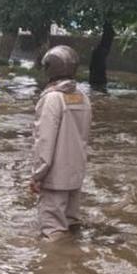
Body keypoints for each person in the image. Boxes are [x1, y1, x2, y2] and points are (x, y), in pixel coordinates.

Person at [29, 45, 92, 240]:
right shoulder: (83, 97)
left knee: (53, 231)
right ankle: (77, 264)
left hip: (55, 177)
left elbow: (44, 142)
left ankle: (56, 267)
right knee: (73, 225)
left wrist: (37, 175)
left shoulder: (52, 99)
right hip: (76, 174)